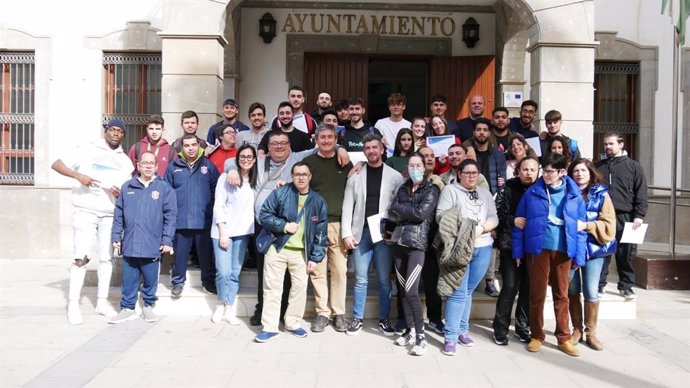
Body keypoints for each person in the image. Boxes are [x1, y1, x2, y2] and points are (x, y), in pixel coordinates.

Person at [224, 131, 349, 326]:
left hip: (289, 225)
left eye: (283, 143)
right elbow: (234, 159)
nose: (279, 146)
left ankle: (285, 311)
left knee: (291, 273)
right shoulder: (260, 159)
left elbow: (323, 146)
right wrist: (231, 169)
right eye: (274, 143)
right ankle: (262, 308)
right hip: (262, 224)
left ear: (290, 145)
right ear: (269, 146)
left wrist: (340, 148)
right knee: (265, 271)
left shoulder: (297, 158)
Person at [51, 118, 134, 325]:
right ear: (106, 131)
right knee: (81, 257)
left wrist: (118, 191)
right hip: (85, 210)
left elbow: (125, 188)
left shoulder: (125, 161)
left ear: (123, 135)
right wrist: (78, 176)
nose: (115, 133)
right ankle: (73, 304)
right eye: (112, 130)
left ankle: (101, 301)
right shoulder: (87, 148)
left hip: (108, 212)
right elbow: (56, 164)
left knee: (107, 258)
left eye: (119, 131)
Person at [512, 153, 586, 357]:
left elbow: (580, 228)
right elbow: (520, 222)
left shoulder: (573, 194)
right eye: (544, 171)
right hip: (538, 249)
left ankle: (563, 337)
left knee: (562, 295)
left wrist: (579, 256)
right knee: (536, 294)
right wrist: (518, 251)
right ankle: (536, 335)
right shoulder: (533, 191)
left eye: (550, 171)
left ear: (562, 172)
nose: (546, 174)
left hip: (564, 250)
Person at [254, 162, 328, 342]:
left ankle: (293, 323)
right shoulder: (281, 193)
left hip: (301, 253)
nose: (301, 177)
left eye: (304, 174)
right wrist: (285, 226)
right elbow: (264, 215)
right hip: (277, 248)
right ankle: (270, 327)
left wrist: (316, 257)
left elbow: (320, 232)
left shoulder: (318, 201)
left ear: (310, 176)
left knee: (299, 289)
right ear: (292, 176)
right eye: (297, 174)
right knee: (272, 289)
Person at [342, 133, 404, 336]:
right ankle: (357, 319)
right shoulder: (356, 175)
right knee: (361, 279)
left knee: (385, 280)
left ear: (382, 149)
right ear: (364, 151)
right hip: (361, 233)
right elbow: (348, 205)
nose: (371, 151)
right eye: (367, 148)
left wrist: (394, 233)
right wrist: (346, 233)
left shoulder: (394, 176)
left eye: (374, 147)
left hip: (384, 234)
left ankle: (384, 319)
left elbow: (398, 207)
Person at [435, 159, 498, 355]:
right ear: (459, 174)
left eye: (475, 173)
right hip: (460, 248)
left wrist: (479, 229)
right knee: (458, 292)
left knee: (468, 291)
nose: (471, 176)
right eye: (467, 172)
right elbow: (441, 216)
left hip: (483, 246)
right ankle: (451, 337)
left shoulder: (485, 194)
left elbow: (494, 217)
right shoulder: (450, 191)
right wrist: (466, 230)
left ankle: (463, 330)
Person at [109, 152, 176, 324]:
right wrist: (116, 235)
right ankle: (127, 308)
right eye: (144, 163)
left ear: (156, 166)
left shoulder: (164, 188)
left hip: (152, 244)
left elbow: (170, 216)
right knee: (129, 279)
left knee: (150, 278)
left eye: (151, 163)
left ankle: (148, 306)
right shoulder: (127, 187)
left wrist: (167, 240)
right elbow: (119, 214)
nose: (147, 166)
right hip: (130, 243)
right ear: (138, 165)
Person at [387, 154, 440, 356]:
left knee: (411, 291)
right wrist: (409, 209)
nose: (415, 168)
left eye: (418, 164)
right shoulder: (402, 188)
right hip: (398, 243)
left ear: (425, 167)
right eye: (412, 165)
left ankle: (421, 336)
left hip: (417, 245)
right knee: (402, 290)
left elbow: (422, 214)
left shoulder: (431, 189)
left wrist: (404, 210)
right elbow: (392, 211)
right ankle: (409, 330)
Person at [302, 123, 353, 333]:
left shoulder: (344, 160)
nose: (326, 141)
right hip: (316, 224)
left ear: (336, 139)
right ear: (316, 139)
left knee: (340, 271)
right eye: (322, 137)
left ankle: (338, 313)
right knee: (318, 271)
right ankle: (322, 313)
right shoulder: (308, 163)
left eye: (330, 138)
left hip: (339, 224)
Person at [567, 158, 616, 351]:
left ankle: (591, 333)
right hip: (571, 250)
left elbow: (609, 224)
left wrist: (587, 226)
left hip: (594, 250)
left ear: (590, 173)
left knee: (590, 290)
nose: (579, 174)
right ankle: (576, 330)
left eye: (583, 171)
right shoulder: (566, 192)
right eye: (576, 171)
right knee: (572, 290)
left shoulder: (602, 194)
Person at [165, 134, 220, 298]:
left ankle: (208, 282)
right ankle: (177, 282)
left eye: (193, 145)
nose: (190, 148)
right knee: (180, 256)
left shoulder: (208, 167)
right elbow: (167, 193)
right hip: (181, 220)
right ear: (182, 147)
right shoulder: (173, 167)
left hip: (203, 220)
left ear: (199, 146)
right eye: (187, 145)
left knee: (205, 256)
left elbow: (216, 191)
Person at [492, 156, 540, 345]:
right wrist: (513, 221)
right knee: (510, 287)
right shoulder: (508, 189)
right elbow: (498, 213)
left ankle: (522, 327)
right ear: (518, 170)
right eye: (525, 169)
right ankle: (500, 329)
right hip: (510, 246)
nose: (528, 173)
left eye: (532, 170)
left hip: (533, 248)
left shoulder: (541, 189)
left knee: (528, 289)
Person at [210, 144, 258, 325]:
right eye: (242, 156)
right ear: (237, 159)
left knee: (234, 272)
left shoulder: (255, 180)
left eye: (249, 157)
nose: (246, 159)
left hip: (243, 233)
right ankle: (220, 303)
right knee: (223, 271)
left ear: (254, 160)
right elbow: (218, 205)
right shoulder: (226, 177)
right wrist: (223, 231)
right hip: (223, 231)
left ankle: (229, 306)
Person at [596, 132, 647, 300]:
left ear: (621, 144)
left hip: (627, 217)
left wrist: (639, 215)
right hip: (604, 217)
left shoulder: (634, 166)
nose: (608, 147)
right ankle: (599, 285)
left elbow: (641, 193)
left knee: (626, 254)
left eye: (611, 144)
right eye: (606, 144)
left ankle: (626, 286)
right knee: (603, 252)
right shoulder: (599, 166)